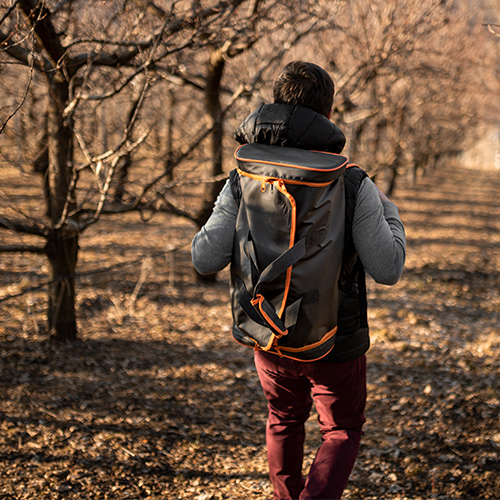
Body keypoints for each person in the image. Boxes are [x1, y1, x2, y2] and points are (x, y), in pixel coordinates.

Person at [191, 61, 406, 500]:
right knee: (341, 429)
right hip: (335, 337)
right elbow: (388, 269)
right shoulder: (349, 182)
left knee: (284, 418)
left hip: (267, 329)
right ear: (327, 114)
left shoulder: (243, 176)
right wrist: (390, 211)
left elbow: (204, 257)